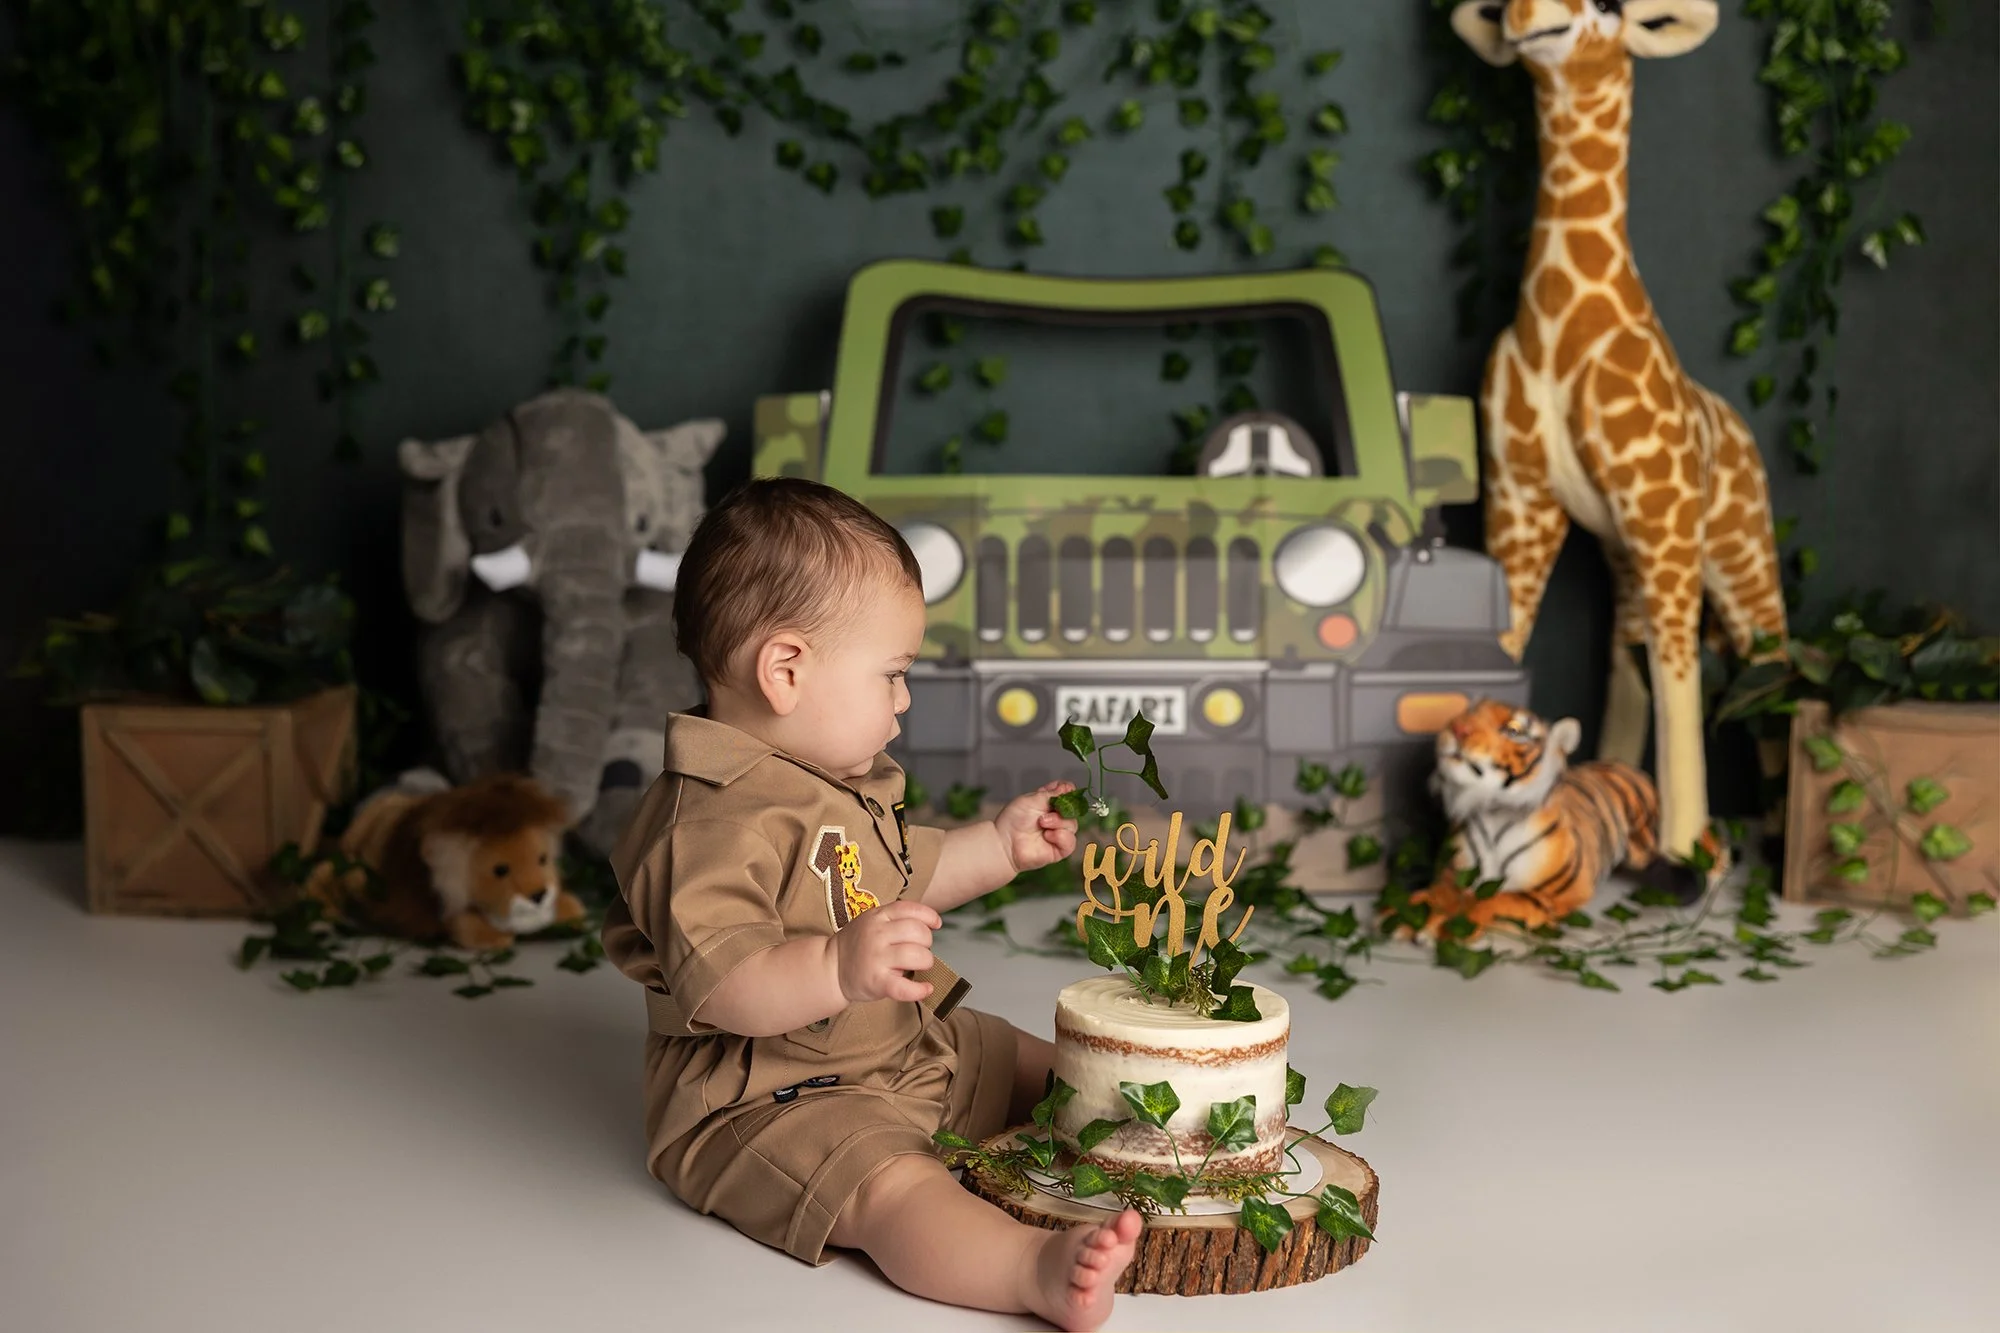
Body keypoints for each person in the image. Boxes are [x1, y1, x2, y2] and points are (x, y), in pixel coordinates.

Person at [600, 476, 1142, 1330]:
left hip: (897, 1044)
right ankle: (1030, 1269)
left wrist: (998, 845)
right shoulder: (702, 821)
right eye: (892, 674)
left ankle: (1155, 1118)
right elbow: (725, 984)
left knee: (1029, 1061)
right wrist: (837, 962)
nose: (903, 699)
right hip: (771, 1097)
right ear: (785, 671)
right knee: (891, 1187)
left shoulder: (828, 780)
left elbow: (902, 870)